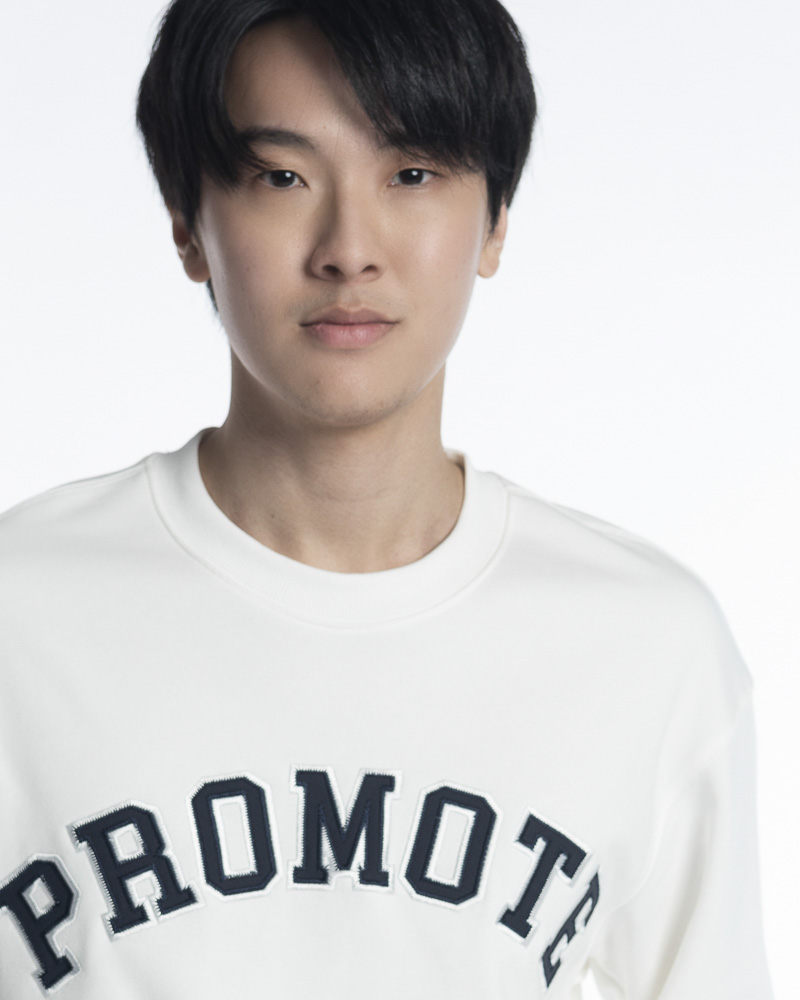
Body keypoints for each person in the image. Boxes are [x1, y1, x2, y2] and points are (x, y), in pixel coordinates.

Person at [0, 0, 773, 996]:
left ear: (495, 221)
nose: (348, 248)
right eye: (281, 176)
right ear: (187, 223)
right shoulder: (23, 613)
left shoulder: (646, 647)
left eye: (411, 173)